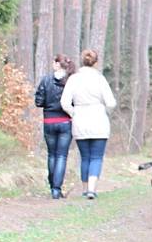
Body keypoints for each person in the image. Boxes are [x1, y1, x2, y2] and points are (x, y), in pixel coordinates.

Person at [60, 49, 117, 200]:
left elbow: (64, 103)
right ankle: (92, 189)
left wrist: (74, 113)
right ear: (96, 63)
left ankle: (85, 188)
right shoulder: (100, 79)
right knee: (97, 157)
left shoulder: (74, 79)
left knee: (85, 156)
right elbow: (111, 102)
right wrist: (104, 110)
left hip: (80, 120)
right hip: (99, 120)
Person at [34, 54, 76, 199]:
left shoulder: (46, 80)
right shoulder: (70, 81)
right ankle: (57, 189)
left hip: (49, 122)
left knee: (51, 154)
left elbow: (38, 102)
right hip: (65, 122)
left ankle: (53, 186)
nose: (52, 64)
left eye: (54, 61)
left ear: (58, 64)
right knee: (61, 156)